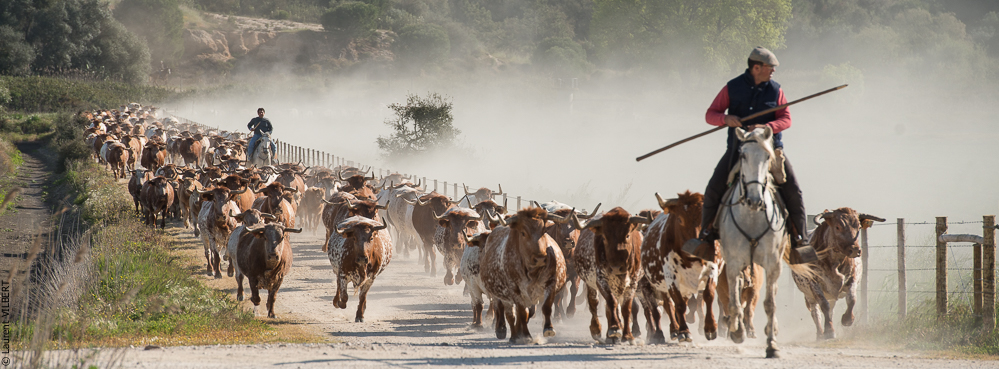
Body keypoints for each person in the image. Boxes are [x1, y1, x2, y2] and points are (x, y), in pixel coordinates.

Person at [687, 47, 816, 264]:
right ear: (756, 67)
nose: (773, 71)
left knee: (793, 190)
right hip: (738, 150)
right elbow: (711, 114)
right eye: (769, 67)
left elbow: (786, 119)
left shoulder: (776, 90)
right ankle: (706, 237)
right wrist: (725, 119)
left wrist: (766, 125)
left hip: (770, 151)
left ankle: (799, 239)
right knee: (713, 188)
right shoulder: (732, 87)